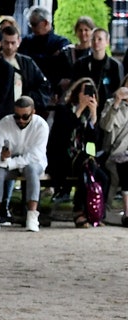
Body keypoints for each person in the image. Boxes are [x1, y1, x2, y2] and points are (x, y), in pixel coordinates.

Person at [49, 77, 106, 227]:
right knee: (87, 166)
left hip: (82, 157)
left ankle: (95, 212)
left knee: (102, 177)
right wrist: (79, 109)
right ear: (76, 93)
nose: (88, 95)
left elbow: (93, 142)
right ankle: (78, 212)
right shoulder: (63, 110)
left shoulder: (89, 114)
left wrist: (93, 116)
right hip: (62, 156)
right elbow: (63, 135)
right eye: (85, 91)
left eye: (91, 92)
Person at [0, 95, 47, 232]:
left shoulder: (41, 125)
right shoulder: (3, 124)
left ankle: (32, 216)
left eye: (25, 117)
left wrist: (10, 162)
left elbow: (35, 156)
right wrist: (2, 157)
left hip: (32, 162)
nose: (20, 120)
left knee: (31, 170)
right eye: (17, 116)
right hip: (8, 161)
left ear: (33, 113)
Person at [19, 6, 70, 96]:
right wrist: (49, 58)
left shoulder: (61, 42)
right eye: (30, 24)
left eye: (34, 24)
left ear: (45, 23)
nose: (31, 28)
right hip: (30, 89)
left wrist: (36, 59)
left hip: (53, 91)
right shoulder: (27, 41)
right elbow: (24, 62)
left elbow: (61, 67)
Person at [98, 78, 128, 227]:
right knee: (118, 170)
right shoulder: (111, 103)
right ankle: (106, 211)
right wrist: (116, 103)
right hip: (114, 153)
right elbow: (105, 126)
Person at [70, 28, 122, 105]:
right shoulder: (81, 63)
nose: (96, 42)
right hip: (84, 107)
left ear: (107, 42)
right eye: (93, 39)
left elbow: (119, 90)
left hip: (107, 108)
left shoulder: (115, 65)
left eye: (100, 39)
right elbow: (74, 86)